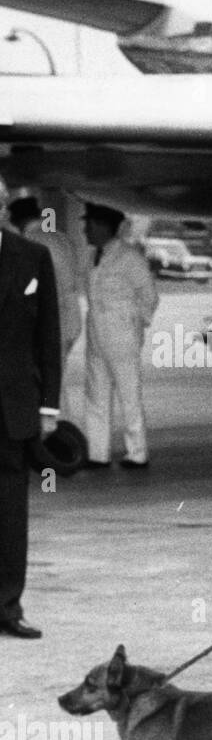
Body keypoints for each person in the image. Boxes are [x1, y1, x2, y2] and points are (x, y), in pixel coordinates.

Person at [0, 177, 61, 638]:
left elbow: (48, 337)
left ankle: (7, 608)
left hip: (12, 408)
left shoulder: (32, 257)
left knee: (10, 515)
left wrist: (49, 406)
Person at [82, 203, 159, 469]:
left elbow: (149, 296)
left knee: (129, 395)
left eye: (89, 224)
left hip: (122, 337)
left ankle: (137, 452)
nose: (85, 229)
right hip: (96, 335)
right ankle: (97, 453)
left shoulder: (129, 257)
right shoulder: (94, 255)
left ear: (103, 226)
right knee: (96, 395)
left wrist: (135, 324)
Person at [7, 193, 84, 419]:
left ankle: (60, 443)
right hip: (70, 319)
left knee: (45, 387)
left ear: (18, 221)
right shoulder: (58, 237)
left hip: (46, 323)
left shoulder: (29, 244)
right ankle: (63, 437)